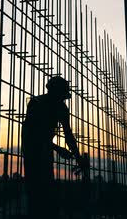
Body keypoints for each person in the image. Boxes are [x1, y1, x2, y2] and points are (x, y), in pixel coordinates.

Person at [21, 76, 90, 218]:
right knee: (36, 192)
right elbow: (33, 135)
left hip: (44, 149)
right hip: (32, 150)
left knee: (46, 190)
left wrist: (78, 157)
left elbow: (68, 135)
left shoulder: (60, 107)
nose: (62, 99)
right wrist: (59, 149)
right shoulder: (36, 104)